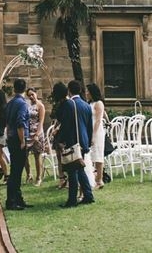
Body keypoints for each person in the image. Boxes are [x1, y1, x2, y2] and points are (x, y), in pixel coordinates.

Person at [56, 79, 95, 207]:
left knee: (73, 171)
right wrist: (88, 141)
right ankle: (88, 195)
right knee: (80, 168)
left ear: (69, 90)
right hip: (83, 141)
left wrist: (61, 140)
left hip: (73, 141)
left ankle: (72, 200)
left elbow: (66, 124)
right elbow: (90, 126)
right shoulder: (86, 105)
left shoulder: (70, 104)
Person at [4, 77, 31, 210]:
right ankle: (12, 201)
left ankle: (18, 198)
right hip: (18, 140)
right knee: (16, 171)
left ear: (14, 89)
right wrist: (22, 141)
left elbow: (8, 122)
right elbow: (20, 123)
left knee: (16, 170)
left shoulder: (10, 103)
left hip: (11, 138)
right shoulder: (22, 104)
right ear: (24, 89)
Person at [26, 87, 48, 186]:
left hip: (37, 133)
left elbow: (41, 122)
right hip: (28, 132)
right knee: (24, 155)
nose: (31, 97)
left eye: (32, 94)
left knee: (37, 155)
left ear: (36, 93)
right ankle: (28, 174)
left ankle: (39, 177)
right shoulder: (27, 105)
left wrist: (37, 134)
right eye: (29, 95)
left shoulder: (40, 106)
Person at [87, 82, 108, 188]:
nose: (87, 93)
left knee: (98, 155)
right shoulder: (90, 103)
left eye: (88, 92)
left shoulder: (99, 103)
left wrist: (93, 135)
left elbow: (98, 120)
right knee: (91, 155)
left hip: (97, 132)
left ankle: (100, 180)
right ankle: (93, 178)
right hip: (90, 130)